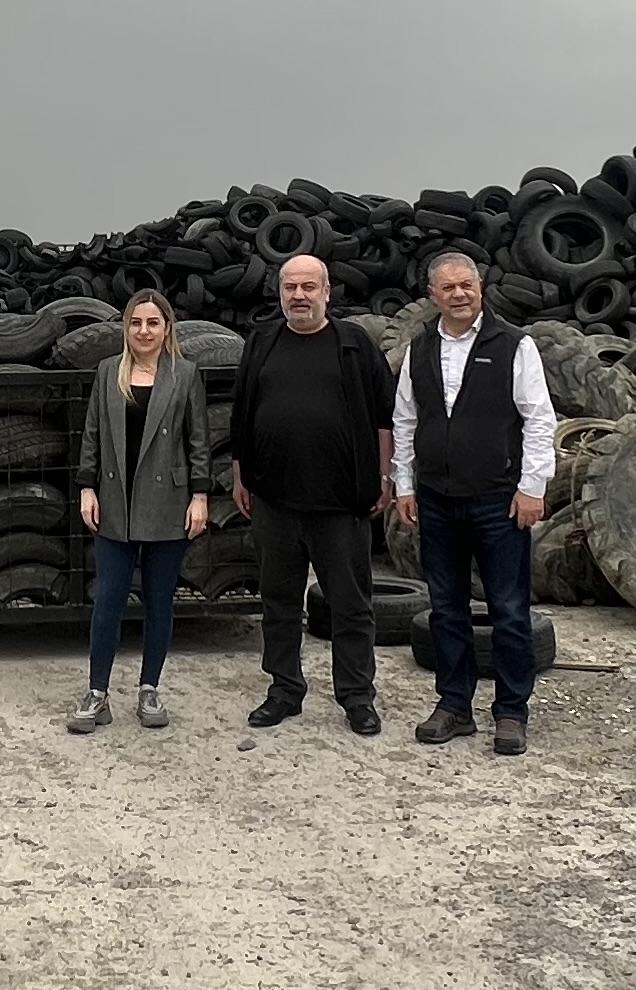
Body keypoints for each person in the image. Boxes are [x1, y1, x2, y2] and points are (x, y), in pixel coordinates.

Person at [392, 247, 555, 754]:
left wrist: (533, 487)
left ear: (480, 288)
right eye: (449, 287)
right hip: (437, 500)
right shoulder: (419, 349)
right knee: (446, 609)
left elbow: (539, 418)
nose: (459, 294)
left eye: (467, 285)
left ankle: (511, 713)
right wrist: (404, 484)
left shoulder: (514, 345)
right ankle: (454, 707)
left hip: (498, 501)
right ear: (432, 295)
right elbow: (405, 420)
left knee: (508, 610)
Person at [224, 249, 394, 733]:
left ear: (327, 293)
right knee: (278, 604)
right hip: (274, 502)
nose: (299, 296)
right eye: (290, 287)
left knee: (351, 606)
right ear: (280, 293)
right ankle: (284, 690)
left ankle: (357, 696)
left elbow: (384, 418)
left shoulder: (354, 344)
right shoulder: (262, 343)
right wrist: (239, 474)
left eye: (308, 287)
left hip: (341, 504)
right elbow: (241, 412)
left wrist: (385, 478)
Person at [68, 288, 212, 734]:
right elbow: (92, 433)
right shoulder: (108, 371)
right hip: (115, 500)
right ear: (125, 328)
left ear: (167, 328)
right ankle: (97, 692)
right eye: (135, 322)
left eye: (152, 323)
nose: (144, 331)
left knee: (159, 600)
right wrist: (86, 487)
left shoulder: (185, 374)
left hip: (168, 502)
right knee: (108, 599)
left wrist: (200, 496)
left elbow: (198, 441)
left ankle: (150, 688)